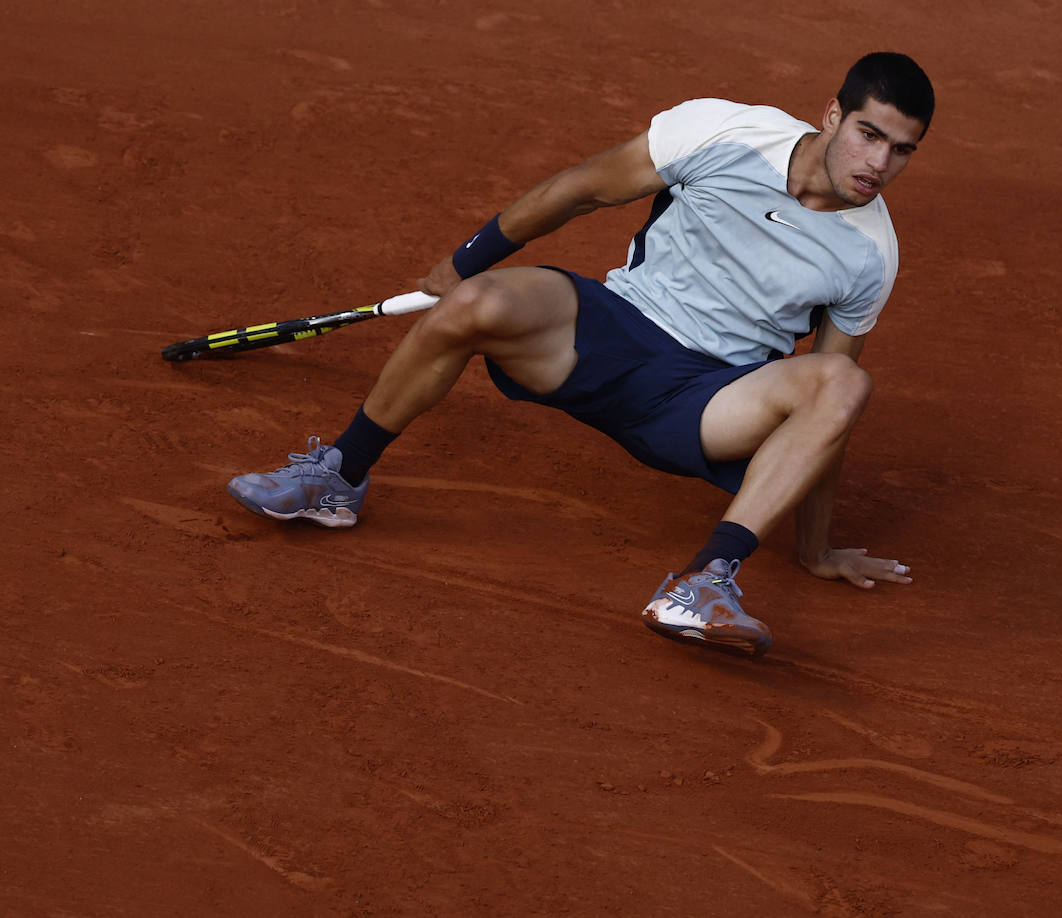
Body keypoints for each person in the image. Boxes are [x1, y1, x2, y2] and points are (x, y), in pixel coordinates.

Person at [228, 51, 935, 657]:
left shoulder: (870, 253)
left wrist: (814, 550)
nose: (879, 163)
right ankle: (339, 479)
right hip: (612, 328)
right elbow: (580, 189)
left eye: (902, 150)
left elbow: (827, 420)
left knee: (842, 382)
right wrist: (465, 262)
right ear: (833, 116)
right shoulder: (725, 131)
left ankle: (705, 581)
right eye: (870, 134)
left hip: (704, 400)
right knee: (478, 305)